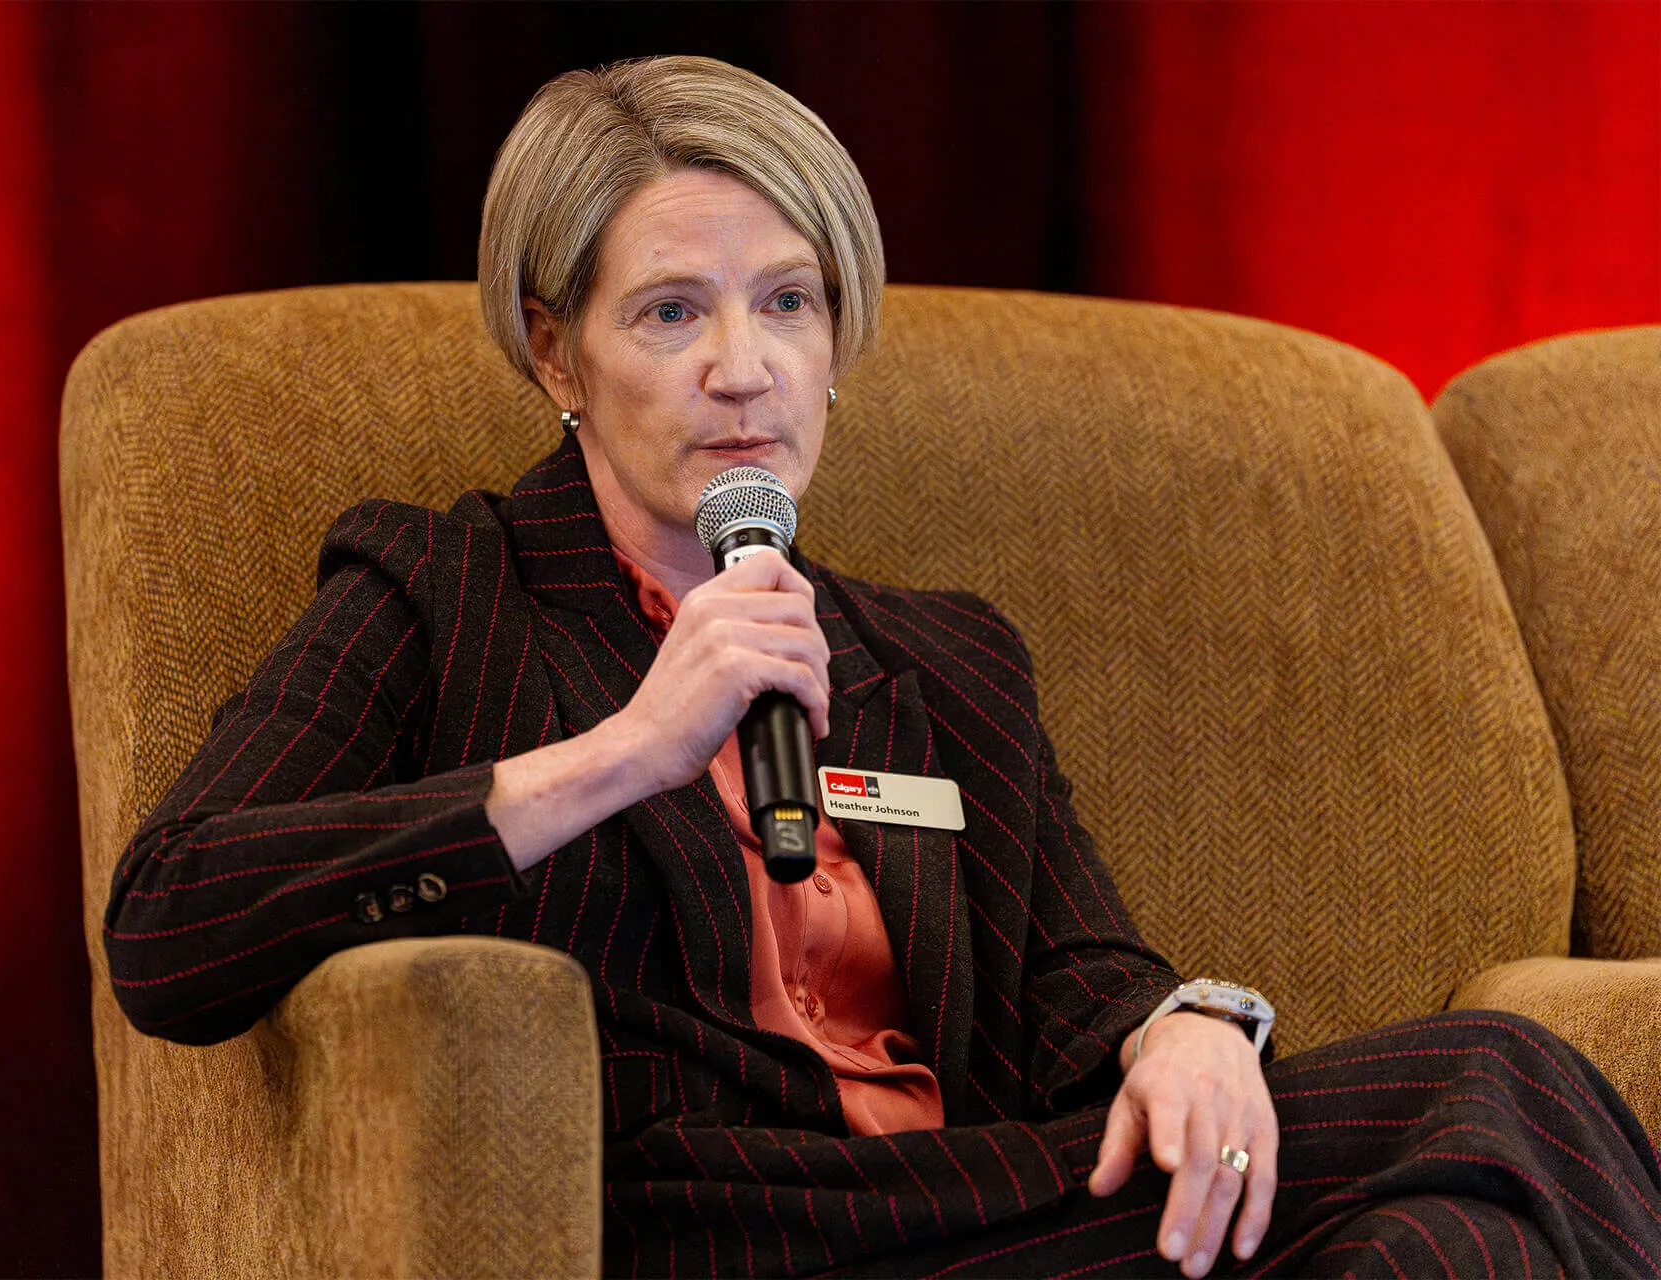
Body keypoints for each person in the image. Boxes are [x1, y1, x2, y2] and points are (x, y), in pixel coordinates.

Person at [104, 55, 1660, 1277]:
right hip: (700, 1225)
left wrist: (1179, 1027)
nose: (746, 364)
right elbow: (173, 924)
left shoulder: (938, 656)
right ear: (557, 351)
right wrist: (627, 752)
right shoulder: (445, 590)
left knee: (1459, 1240)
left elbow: (1075, 983)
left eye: (790, 301)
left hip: (964, 1212)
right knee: (1490, 1088)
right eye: (671, 310)